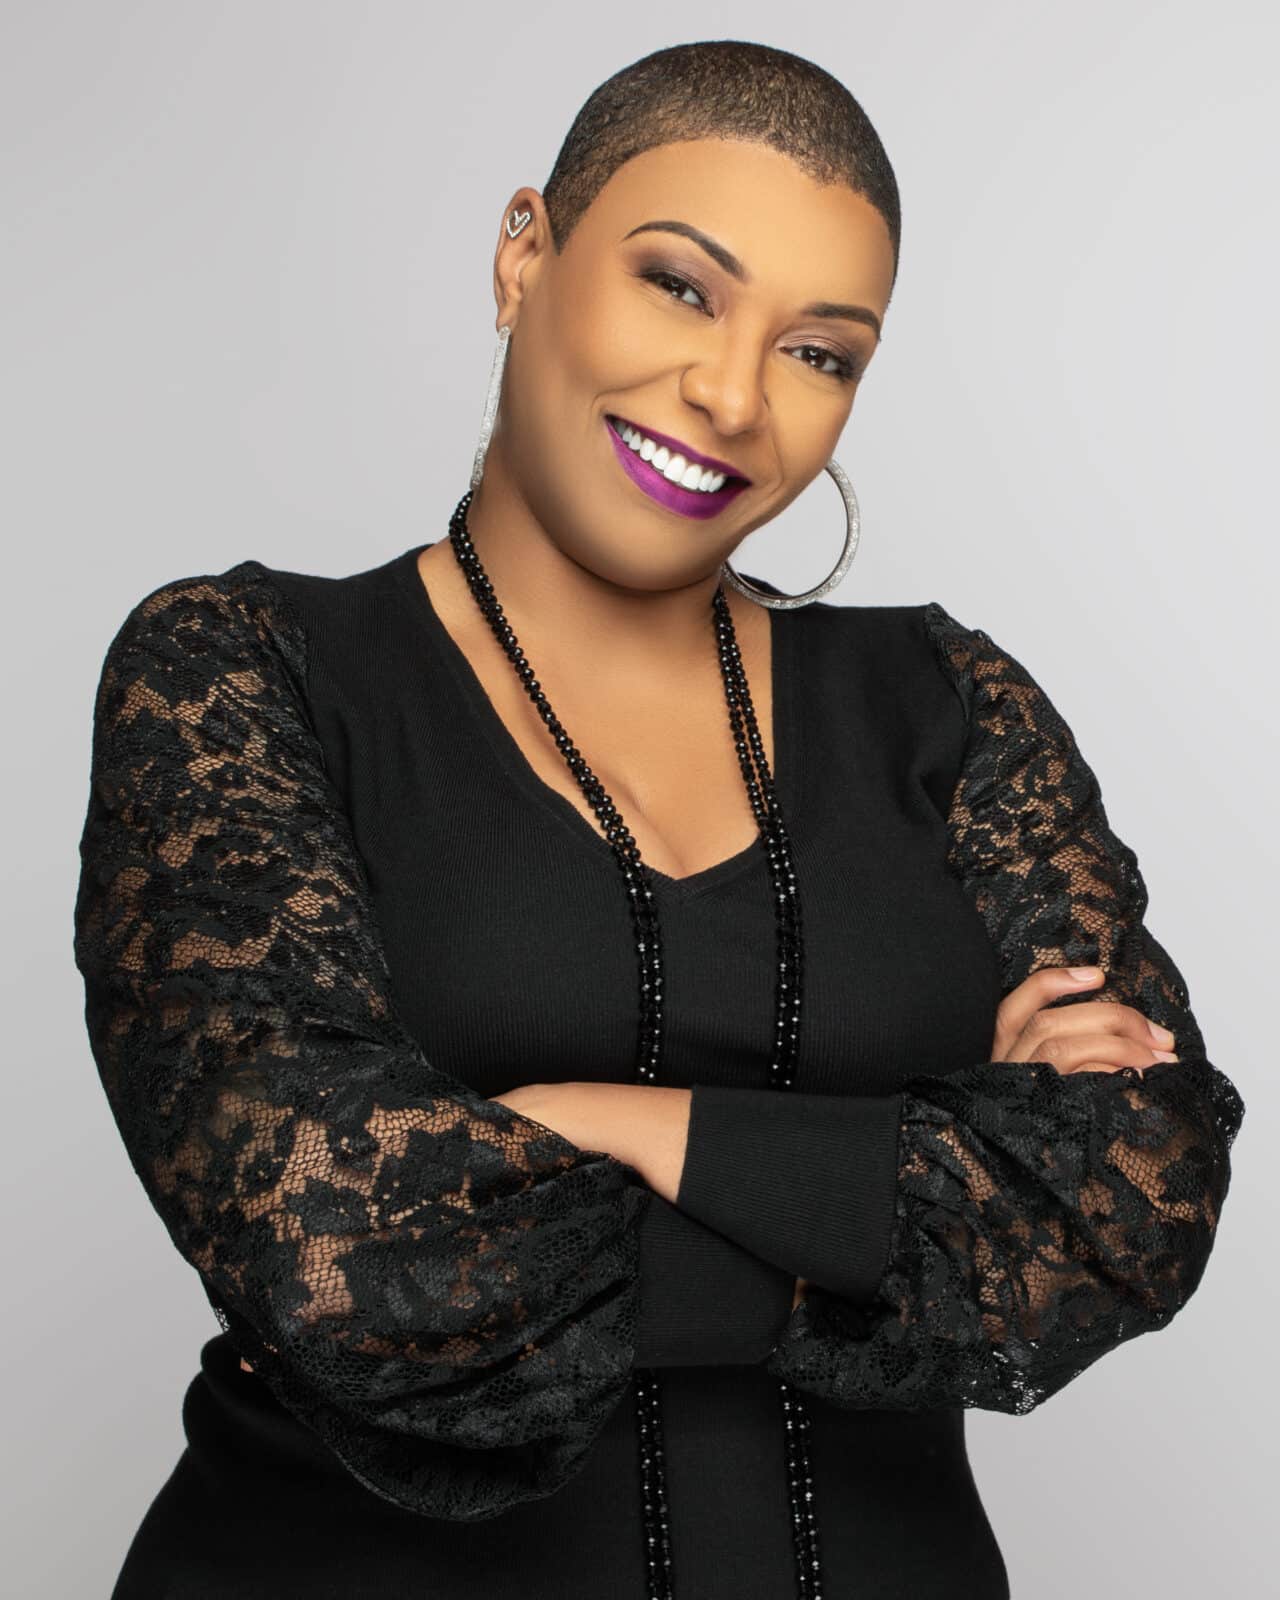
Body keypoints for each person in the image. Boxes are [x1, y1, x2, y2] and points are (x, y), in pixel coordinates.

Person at [73, 39, 1245, 1600]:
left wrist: (598, 1125)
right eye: (681, 286)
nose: (734, 396)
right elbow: (331, 1245)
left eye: (820, 351)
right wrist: (900, 1192)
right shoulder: (245, 670)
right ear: (525, 254)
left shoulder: (950, 705)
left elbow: (1129, 1205)